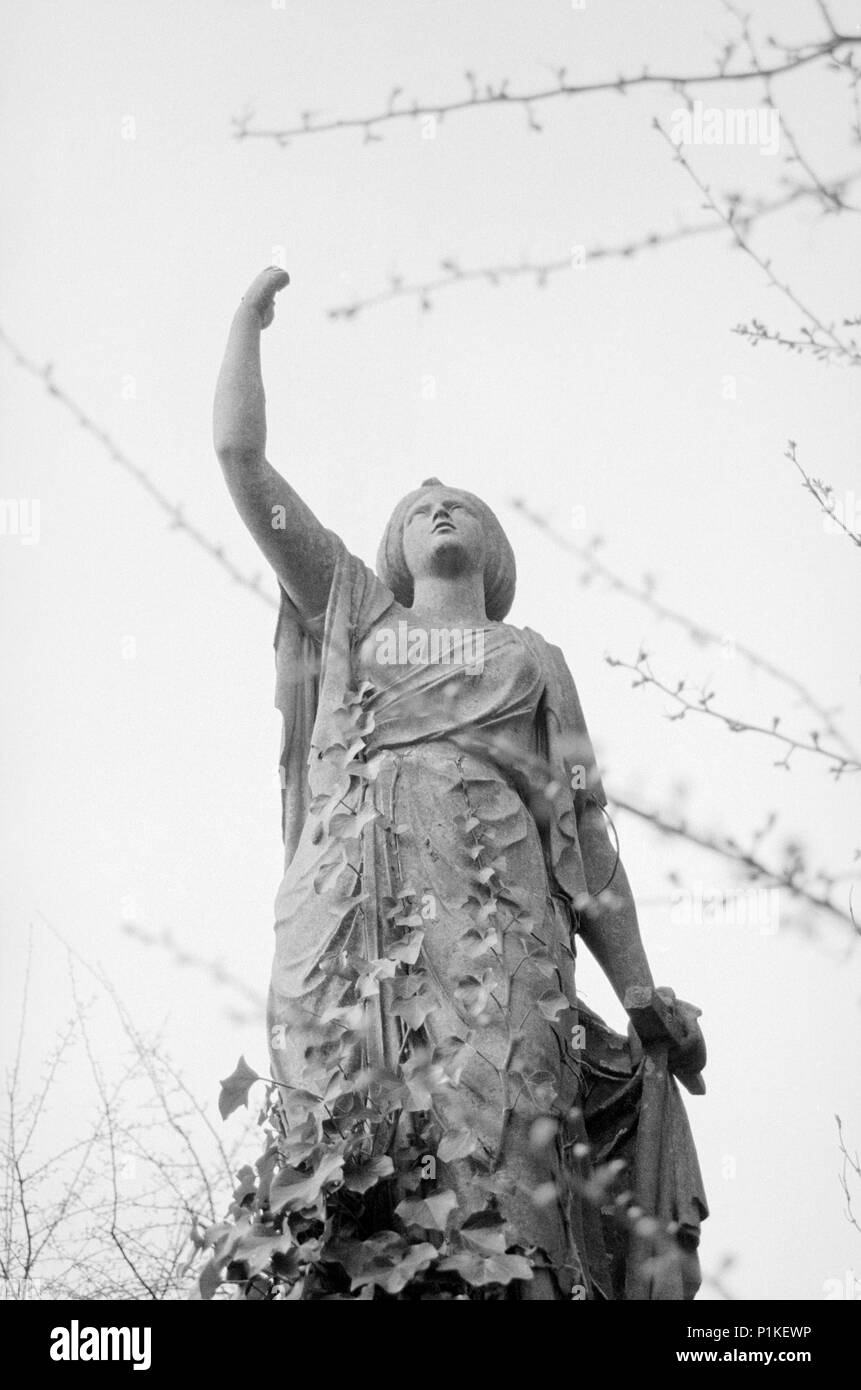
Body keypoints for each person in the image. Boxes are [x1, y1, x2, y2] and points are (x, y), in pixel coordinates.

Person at [213, 268, 708, 1300]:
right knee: (343, 1176)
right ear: (392, 552)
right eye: (418, 508)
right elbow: (239, 458)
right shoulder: (354, 610)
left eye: (459, 506)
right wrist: (243, 330)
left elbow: (589, 834)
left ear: (496, 546)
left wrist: (640, 990)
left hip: (500, 917)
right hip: (355, 905)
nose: (439, 509)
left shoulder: (532, 658)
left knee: (501, 1173)